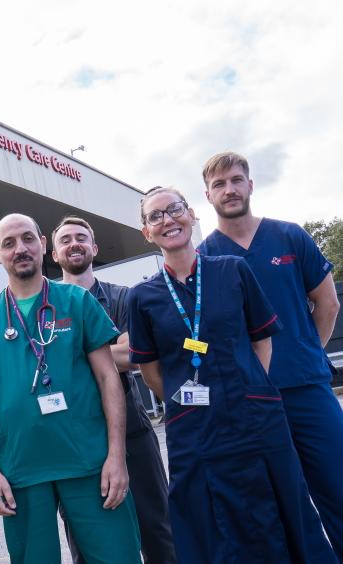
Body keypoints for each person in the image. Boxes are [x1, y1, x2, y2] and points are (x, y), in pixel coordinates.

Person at [127, 186, 336, 563]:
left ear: (191, 214)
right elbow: (152, 372)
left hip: (255, 416)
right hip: (194, 428)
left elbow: (262, 343)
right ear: (146, 232)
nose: (167, 220)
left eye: (174, 209)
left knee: (283, 505)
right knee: (207, 518)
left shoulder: (232, 270)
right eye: (155, 216)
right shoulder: (143, 297)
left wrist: (248, 388)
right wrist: (188, 399)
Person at [0, 213, 141, 564]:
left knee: (119, 555)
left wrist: (116, 456)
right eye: (9, 243)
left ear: (43, 244)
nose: (20, 248)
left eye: (27, 239)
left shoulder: (77, 302)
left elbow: (108, 379)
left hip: (90, 461)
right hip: (20, 470)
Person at [198, 151, 343, 559]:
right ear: (207, 195)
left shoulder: (290, 236)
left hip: (308, 389)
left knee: (337, 487)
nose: (230, 189)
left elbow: (327, 303)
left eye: (236, 180)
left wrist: (305, 351)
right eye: (220, 184)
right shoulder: (206, 257)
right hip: (252, 403)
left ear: (250, 184)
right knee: (282, 506)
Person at [51, 216, 177, 564]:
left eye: (81, 237)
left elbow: (134, 354)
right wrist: (106, 353)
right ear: (55, 252)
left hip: (132, 432)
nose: (74, 243)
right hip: (74, 437)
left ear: (94, 248)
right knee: (86, 538)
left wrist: (68, 354)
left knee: (157, 527)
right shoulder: (47, 307)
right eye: (65, 240)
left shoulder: (124, 297)